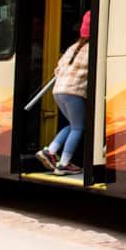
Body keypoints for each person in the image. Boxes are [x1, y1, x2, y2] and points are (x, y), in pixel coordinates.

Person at [35, 11, 91, 176]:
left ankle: (50, 151)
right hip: (74, 92)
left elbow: (57, 69)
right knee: (79, 127)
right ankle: (63, 164)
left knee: (72, 125)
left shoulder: (73, 48)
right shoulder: (93, 49)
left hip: (59, 91)